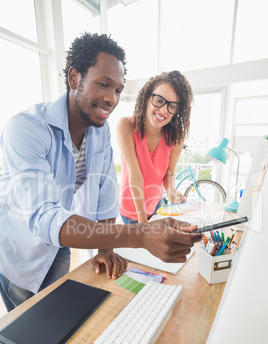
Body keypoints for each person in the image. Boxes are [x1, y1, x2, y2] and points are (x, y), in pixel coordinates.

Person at [0, 33, 202, 312]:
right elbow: (45, 217)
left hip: (59, 244)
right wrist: (140, 235)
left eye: (118, 90)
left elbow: (105, 196)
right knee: (32, 329)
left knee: (59, 314)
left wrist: (105, 249)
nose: (111, 98)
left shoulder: (99, 131)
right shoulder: (26, 129)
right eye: (103, 84)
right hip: (20, 249)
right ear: (74, 78)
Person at [117, 71, 192, 224]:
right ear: (147, 98)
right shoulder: (126, 126)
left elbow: (169, 172)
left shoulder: (175, 136)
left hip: (156, 204)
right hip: (132, 209)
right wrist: (143, 220)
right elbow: (135, 174)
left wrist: (171, 190)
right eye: (159, 100)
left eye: (172, 106)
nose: (163, 111)